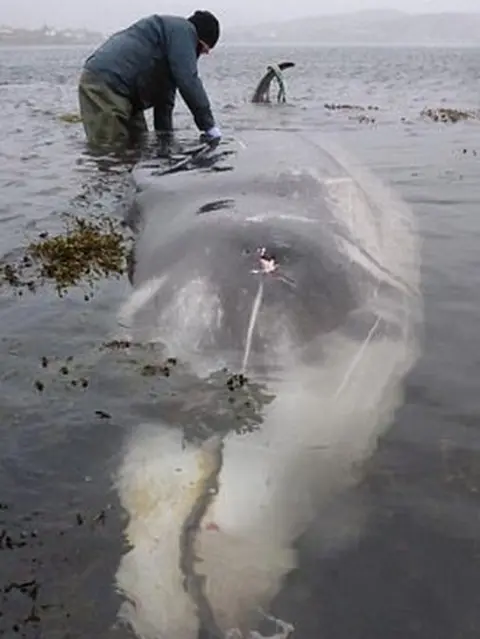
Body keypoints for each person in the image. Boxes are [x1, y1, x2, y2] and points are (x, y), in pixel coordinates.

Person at [77, 10, 222, 148]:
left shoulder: (170, 43)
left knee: (139, 144)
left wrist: (165, 141)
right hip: (105, 84)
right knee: (111, 150)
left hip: (128, 95)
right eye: (203, 50)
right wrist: (208, 126)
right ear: (199, 39)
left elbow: (165, 101)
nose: (199, 56)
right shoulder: (183, 31)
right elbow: (188, 80)